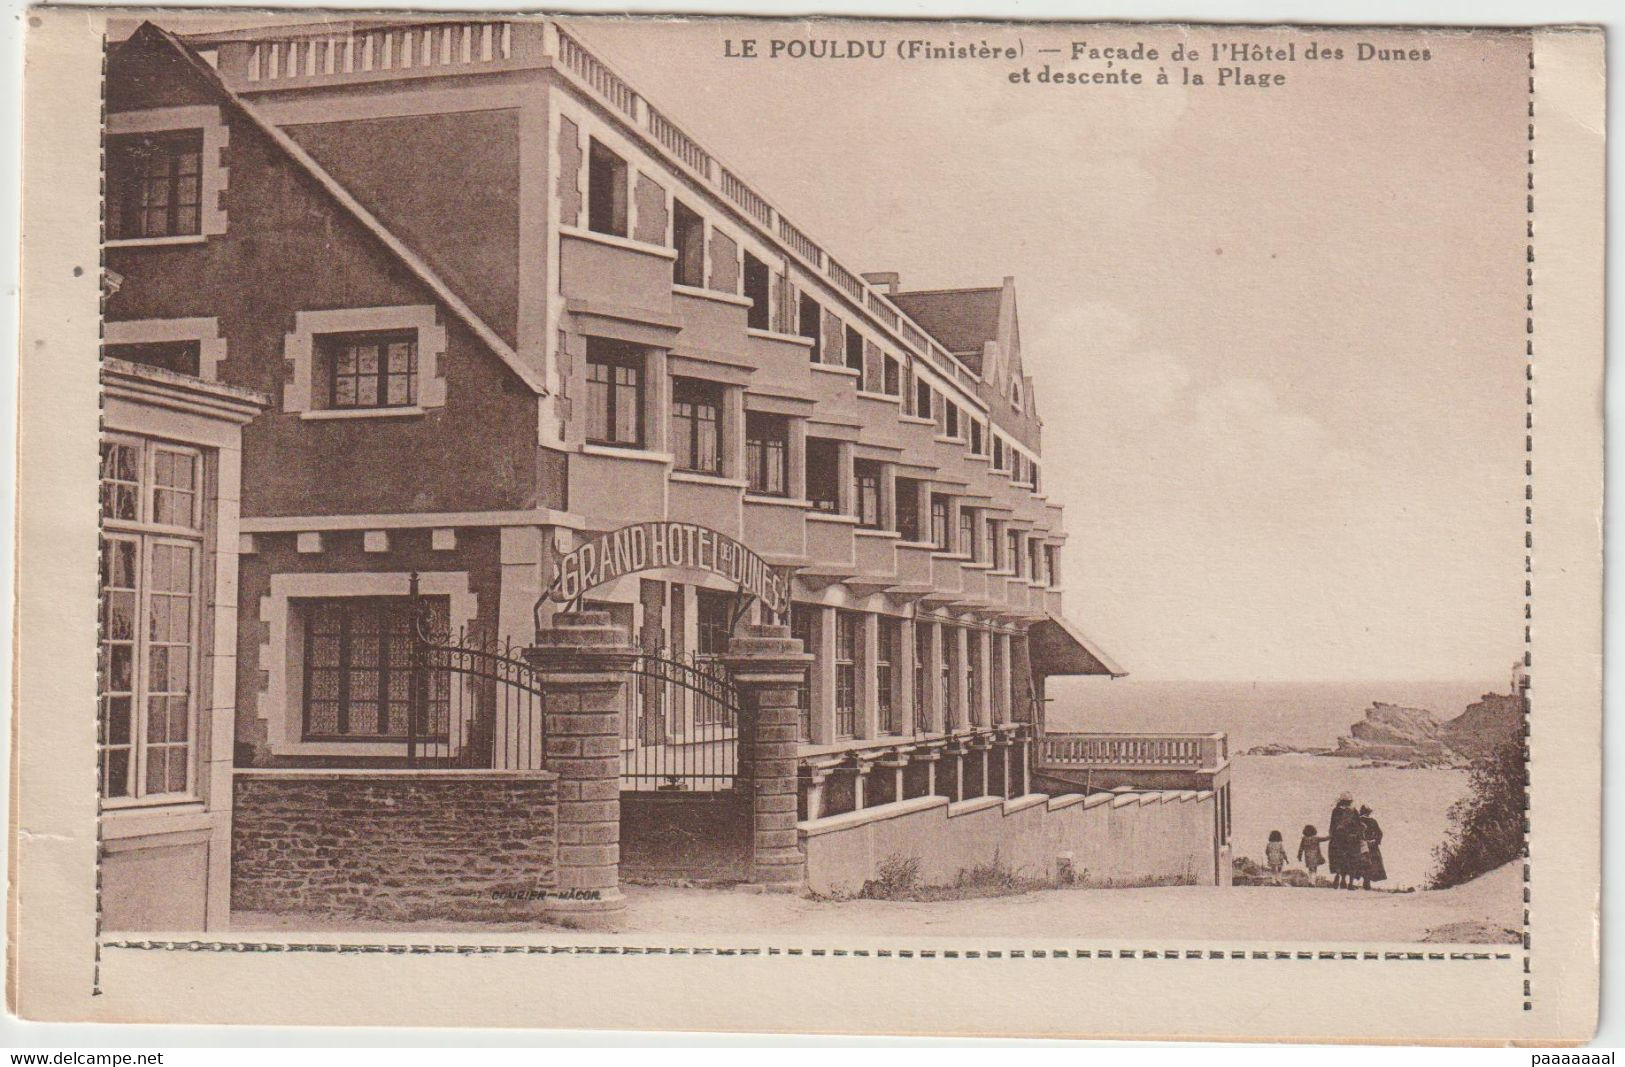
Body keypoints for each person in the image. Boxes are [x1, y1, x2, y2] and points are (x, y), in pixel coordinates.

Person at [1328, 794, 1361, 890]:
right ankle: (1350, 883)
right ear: (1350, 801)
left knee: (1339, 857)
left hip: (1338, 838)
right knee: (1352, 859)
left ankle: (1339, 875)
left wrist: (1333, 836)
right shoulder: (1354, 811)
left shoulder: (1335, 810)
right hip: (1351, 838)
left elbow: (1332, 826)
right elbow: (1358, 826)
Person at [1358, 805, 1387, 889]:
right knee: (1371, 863)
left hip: (1361, 844)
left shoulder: (1357, 820)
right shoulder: (1373, 821)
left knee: (1361, 863)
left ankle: (1364, 881)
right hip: (1371, 845)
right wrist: (1374, 840)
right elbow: (1379, 833)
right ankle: (1366, 882)